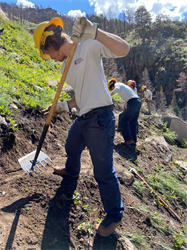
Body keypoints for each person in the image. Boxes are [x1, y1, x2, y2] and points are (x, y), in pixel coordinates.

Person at [33, 16, 130, 236]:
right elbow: (81, 94)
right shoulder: (65, 67)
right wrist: (64, 106)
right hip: (83, 116)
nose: (49, 58)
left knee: (103, 171)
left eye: (47, 53)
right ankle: (72, 171)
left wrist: (95, 32)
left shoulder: (87, 44)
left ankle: (115, 214)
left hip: (101, 119)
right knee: (72, 144)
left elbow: (124, 49)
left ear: (50, 44)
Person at [108, 78, 141, 144]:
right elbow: (130, 96)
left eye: (111, 88)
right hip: (137, 102)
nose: (112, 90)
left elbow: (116, 89)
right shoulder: (124, 86)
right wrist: (125, 105)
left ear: (112, 85)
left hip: (132, 103)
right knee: (133, 122)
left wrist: (108, 96)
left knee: (123, 121)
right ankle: (134, 140)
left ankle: (128, 139)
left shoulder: (117, 84)